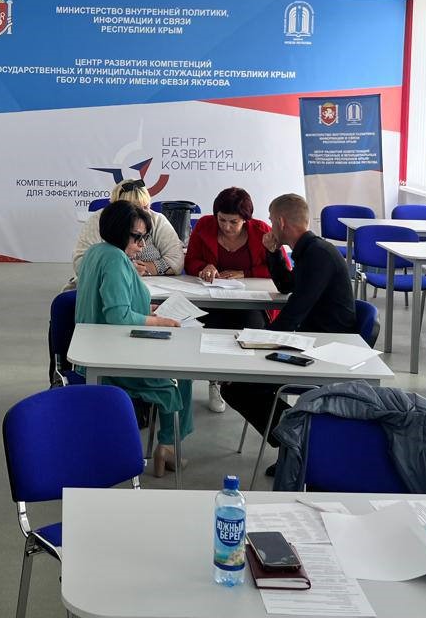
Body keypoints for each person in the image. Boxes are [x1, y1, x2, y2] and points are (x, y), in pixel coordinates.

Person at [75, 200, 193, 477]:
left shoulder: (96, 252)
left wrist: (148, 310)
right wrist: (160, 321)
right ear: (118, 231)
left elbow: (112, 302)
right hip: (112, 358)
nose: (142, 245)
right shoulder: (116, 259)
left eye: (145, 237)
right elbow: (118, 315)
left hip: (97, 350)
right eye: (136, 237)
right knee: (180, 377)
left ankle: (167, 446)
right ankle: (168, 446)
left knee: (178, 371)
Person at [222, 193, 356, 435]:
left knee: (237, 387)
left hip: (325, 347)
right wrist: (272, 252)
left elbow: (293, 314)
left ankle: (298, 437)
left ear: (281, 222)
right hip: (312, 339)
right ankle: (294, 437)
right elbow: (286, 286)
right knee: (237, 386)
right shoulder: (310, 250)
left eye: (271, 220)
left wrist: (253, 343)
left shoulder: (318, 255)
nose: (270, 225)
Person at [184, 186, 274, 412]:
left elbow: (279, 268)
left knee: (253, 329)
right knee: (206, 329)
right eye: (222, 220)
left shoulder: (261, 230)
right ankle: (216, 380)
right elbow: (190, 261)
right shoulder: (204, 225)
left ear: (246, 219)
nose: (226, 226)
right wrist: (204, 267)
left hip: (251, 302)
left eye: (233, 222)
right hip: (212, 299)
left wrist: (246, 273)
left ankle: (242, 383)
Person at [71, 178, 184, 285]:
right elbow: (81, 263)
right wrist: (124, 270)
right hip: (103, 285)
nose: (143, 214)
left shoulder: (157, 220)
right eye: (134, 209)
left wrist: (140, 269)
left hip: (153, 287)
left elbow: (176, 262)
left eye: (145, 207)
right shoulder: (98, 220)